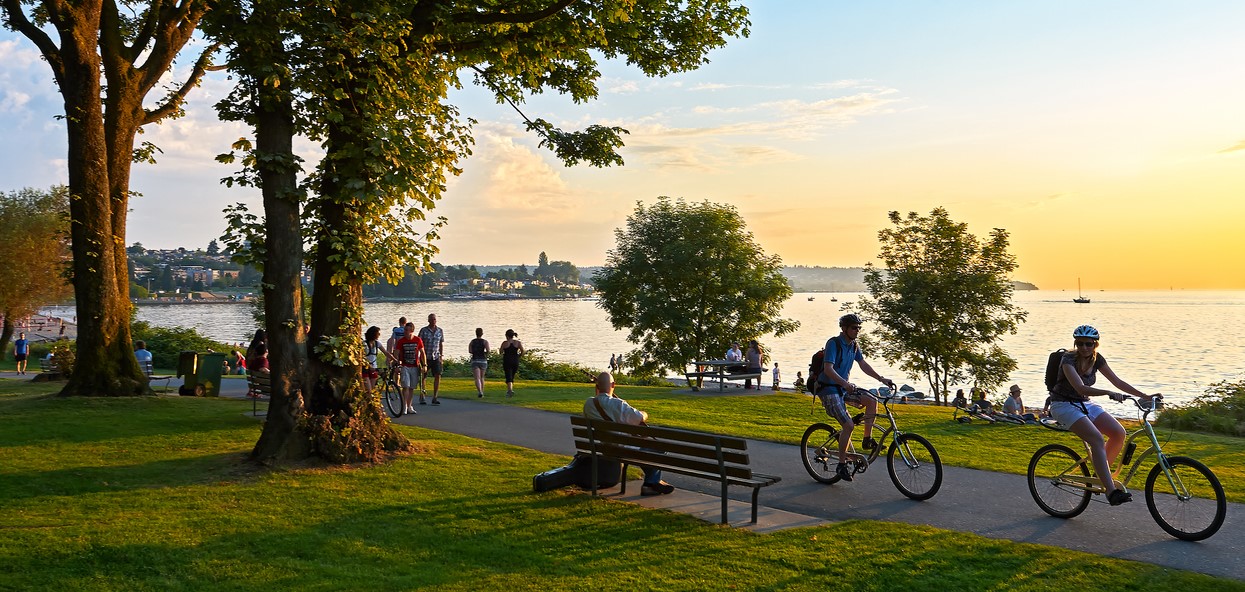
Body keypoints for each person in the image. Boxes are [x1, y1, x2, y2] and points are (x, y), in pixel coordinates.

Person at [1048, 325, 1154, 506]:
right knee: (1097, 439)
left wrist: (1145, 396)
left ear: (1095, 344)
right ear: (1076, 343)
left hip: (1085, 403)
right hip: (1062, 404)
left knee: (1118, 433)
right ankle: (1111, 491)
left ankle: (1101, 477)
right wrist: (1108, 392)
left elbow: (1117, 381)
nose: (1084, 348)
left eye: (1088, 344)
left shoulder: (1097, 359)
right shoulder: (1068, 359)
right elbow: (1080, 388)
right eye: (1080, 343)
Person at [816, 313, 895, 482]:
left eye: (859, 328)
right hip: (829, 391)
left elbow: (863, 364)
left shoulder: (854, 346)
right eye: (854, 327)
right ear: (844, 328)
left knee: (872, 401)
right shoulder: (833, 343)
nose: (857, 330)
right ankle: (842, 464)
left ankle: (867, 440)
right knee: (849, 425)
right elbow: (828, 369)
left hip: (843, 389)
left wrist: (881, 379)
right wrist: (845, 383)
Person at [583, 371, 674, 496]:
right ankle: (650, 483)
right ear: (613, 385)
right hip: (625, 449)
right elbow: (638, 417)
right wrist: (644, 413)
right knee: (659, 448)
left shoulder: (589, 404)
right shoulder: (618, 404)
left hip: (606, 448)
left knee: (648, 449)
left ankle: (653, 482)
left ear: (597, 387)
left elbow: (599, 402)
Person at [392, 322, 426, 413]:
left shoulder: (417, 340)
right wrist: (397, 364)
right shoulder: (401, 341)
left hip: (415, 366)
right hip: (405, 366)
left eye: (407, 330)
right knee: (405, 386)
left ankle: (409, 406)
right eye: (404, 330)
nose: (405, 332)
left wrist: (424, 365)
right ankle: (404, 407)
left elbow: (422, 353)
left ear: (412, 330)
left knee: (411, 387)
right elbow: (396, 353)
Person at [419, 314, 445, 405]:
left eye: (434, 319)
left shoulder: (440, 331)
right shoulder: (423, 330)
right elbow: (419, 344)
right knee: (423, 376)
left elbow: (441, 344)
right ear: (428, 320)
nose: (434, 321)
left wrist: (441, 356)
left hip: (436, 357)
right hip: (425, 357)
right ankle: (422, 395)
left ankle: (435, 397)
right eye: (432, 319)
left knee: (438, 375)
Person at [361, 326, 386, 394]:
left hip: (374, 368)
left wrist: (394, 359)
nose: (379, 335)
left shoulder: (377, 343)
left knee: (372, 390)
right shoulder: (364, 344)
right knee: (368, 390)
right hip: (365, 368)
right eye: (378, 333)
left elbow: (386, 352)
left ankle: (369, 402)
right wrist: (368, 365)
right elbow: (362, 357)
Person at [500, 329, 524, 397]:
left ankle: (510, 390)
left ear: (507, 336)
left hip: (507, 361)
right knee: (512, 376)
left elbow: (501, 351)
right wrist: (519, 356)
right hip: (515, 360)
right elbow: (522, 351)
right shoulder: (517, 343)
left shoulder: (505, 343)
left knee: (508, 376)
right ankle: (510, 389)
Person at [468, 328, 490, 398]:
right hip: (483, 360)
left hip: (475, 360)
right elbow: (488, 350)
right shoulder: (485, 342)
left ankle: (480, 391)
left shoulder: (472, 342)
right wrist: (484, 353)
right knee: (482, 377)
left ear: (476, 333)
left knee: (477, 378)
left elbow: (470, 351)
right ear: (482, 333)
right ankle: (482, 392)